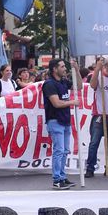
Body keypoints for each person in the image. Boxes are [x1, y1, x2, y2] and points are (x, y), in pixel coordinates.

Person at [43, 58, 79, 189]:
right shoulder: (49, 84)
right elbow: (56, 103)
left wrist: (76, 70)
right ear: (54, 69)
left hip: (65, 121)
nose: (65, 69)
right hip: (55, 120)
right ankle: (57, 179)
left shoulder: (63, 82)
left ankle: (62, 177)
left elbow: (78, 86)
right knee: (59, 150)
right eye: (62, 66)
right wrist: (72, 103)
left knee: (64, 151)